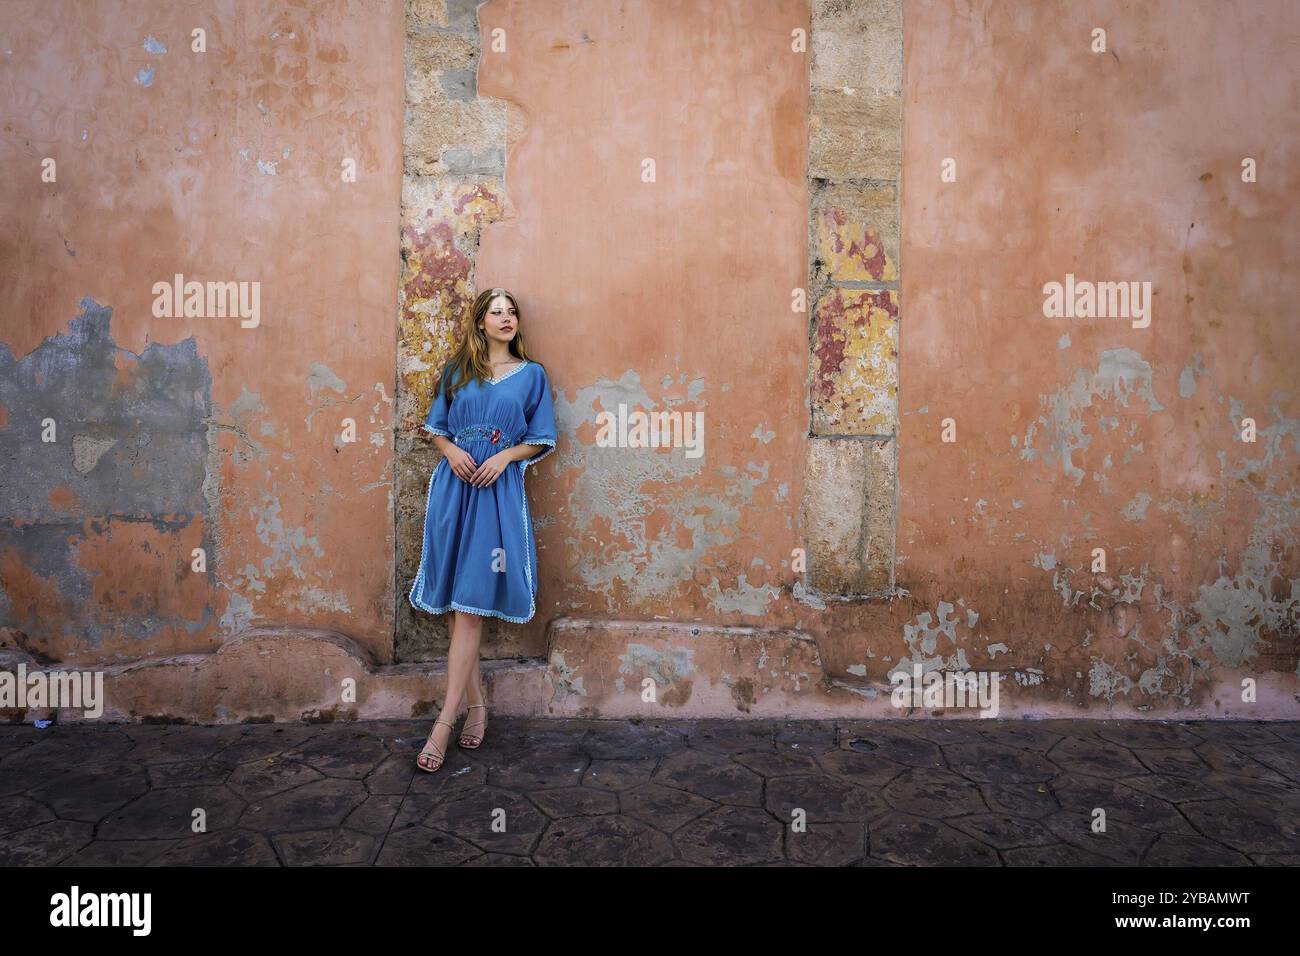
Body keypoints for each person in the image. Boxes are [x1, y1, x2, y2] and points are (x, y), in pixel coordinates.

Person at [408, 287, 557, 772]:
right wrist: (451, 451)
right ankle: (477, 707)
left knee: (470, 607)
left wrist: (504, 455)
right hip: (453, 492)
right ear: (480, 322)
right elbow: (435, 428)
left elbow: (541, 438)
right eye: (496, 312)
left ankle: (442, 724)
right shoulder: (458, 373)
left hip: (497, 492)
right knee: (457, 609)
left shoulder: (532, 375)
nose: (506, 317)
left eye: (512, 311)